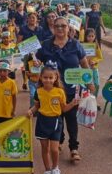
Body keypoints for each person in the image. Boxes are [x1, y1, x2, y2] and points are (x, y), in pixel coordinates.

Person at [36, 16, 94, 163]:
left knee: (71, 119)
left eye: (63, 26)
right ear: (53, 28)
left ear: (69, 28)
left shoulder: (75, 45)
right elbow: (34, 62)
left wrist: (90, 82)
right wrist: (35, 63)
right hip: (52, 91)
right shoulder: (46, 46)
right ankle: (59, 140)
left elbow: (84, 64)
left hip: (72, 90)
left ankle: (74, 148)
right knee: (57, 117)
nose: (60, 29)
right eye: (57, 26)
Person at [27, 63, 78, 174]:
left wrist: (72, 104)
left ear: (55, 78)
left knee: (54, 149)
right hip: (42, 121)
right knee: (45, 149)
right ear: (41, 78)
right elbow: (36, 107)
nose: (48, 80)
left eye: (51, 78)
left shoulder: (60, 92)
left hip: (56, 122)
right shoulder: (38, 92)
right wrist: (31, 111)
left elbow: (63, 109)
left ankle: (55, 168)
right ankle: (47, 170)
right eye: (45, 77)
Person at [84, 28, 103, 95]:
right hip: (85, 68)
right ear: (85, 36)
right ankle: (86, 99)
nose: (91, 38)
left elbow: (100, 57)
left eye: (92, 36)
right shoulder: (82, 46)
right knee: (86, 84)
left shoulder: (96, 46)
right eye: (89, 36)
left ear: (95, 36)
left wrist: (94, 61)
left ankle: (94, 98)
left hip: (94, 68)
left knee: (97, 84)